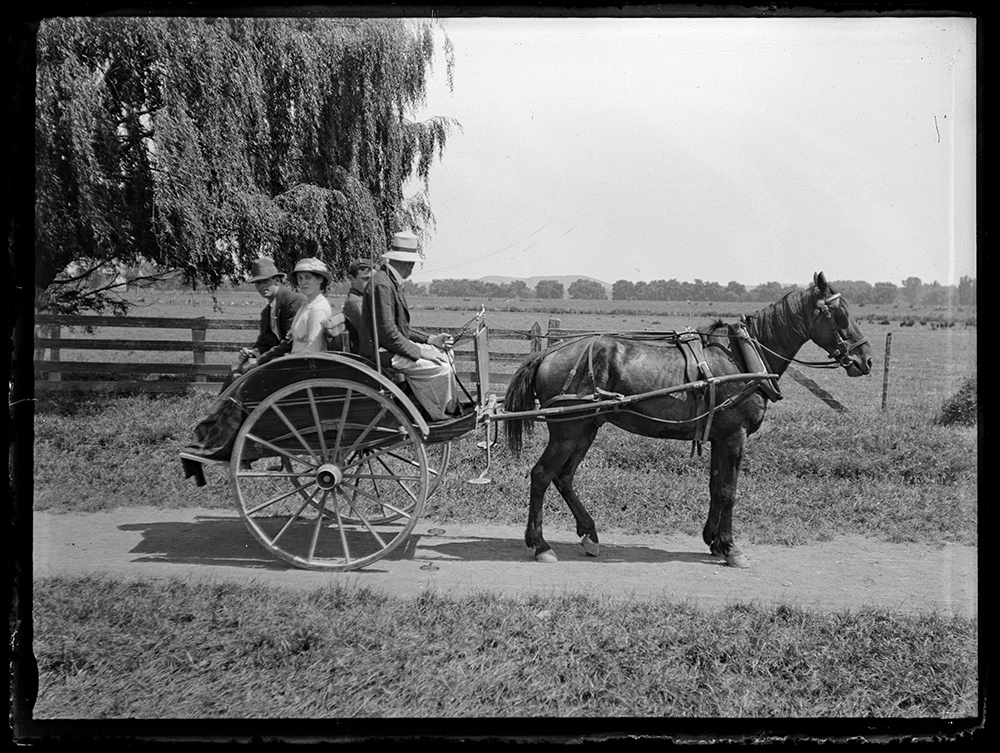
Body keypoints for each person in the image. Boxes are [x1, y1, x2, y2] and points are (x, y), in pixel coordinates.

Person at [359, 231, 459, 420]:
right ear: (407, 263)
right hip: (379, 354)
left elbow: (398, 328)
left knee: (446, 354)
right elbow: (388, 333)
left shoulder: (388, 281)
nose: (413, 267)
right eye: (412, 263)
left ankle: (441, 407)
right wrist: (421, 352)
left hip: (388, 349)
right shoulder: (382, 284)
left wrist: (431, 340)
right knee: (441, 368)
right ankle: (437, 414)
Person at [222, 257, 305, 389]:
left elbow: (289, 341)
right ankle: (223, 408)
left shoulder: (293, 302)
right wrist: (251, 353)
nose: (261, 286)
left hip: (294, 360)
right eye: (257, 283)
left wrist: (260, 360)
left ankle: (235, 406)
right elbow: (263, 343)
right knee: (236, 368)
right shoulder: (267, 312)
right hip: (277, 357)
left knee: (245, 374)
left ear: (277, 280)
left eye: (265, 281)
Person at [256, 257, 339, 365]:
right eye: (300, 278)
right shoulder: (306, 306)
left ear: (320, 279)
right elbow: (290, 340)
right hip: (296, 361)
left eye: (308, 278)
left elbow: (314, 349)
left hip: (305, 368)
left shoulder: (318, 309)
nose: (303, 282)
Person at [341, 260, 372, 353]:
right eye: (365, 279)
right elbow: (369, 333)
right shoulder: (354, 302)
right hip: (366, 355)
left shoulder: (363, 299)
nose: (370, 284)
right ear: (351, 279)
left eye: (372, 279)